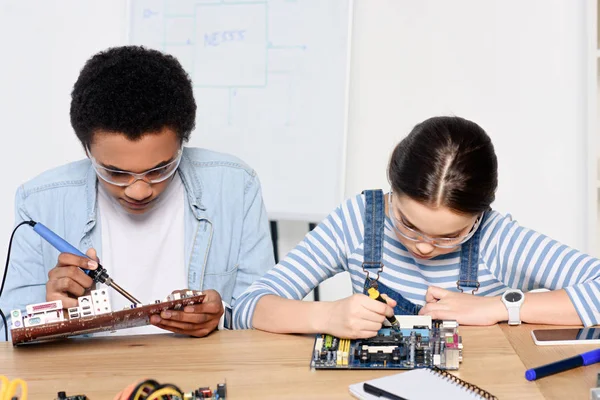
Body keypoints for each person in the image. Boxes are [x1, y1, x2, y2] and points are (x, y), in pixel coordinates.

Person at [233, 116, 600, 338]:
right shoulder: (359, 220)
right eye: (408, 224)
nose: (424, 247)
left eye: (451, 235)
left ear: (479, 214)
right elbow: (246, 307)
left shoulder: (497, 238)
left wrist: (499, 307)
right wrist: (325, 315)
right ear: (393, 187)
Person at [0, 46, 274, 339]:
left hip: (201, 374)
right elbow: (8, 336)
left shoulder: (235, 185)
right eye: (115, 173)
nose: (140, 191)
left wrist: (220, 318)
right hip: (87, 380)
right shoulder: (39, 202)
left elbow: (263, 315)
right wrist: (49, 314)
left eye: (160, 169)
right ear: (87, 151)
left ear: (182, 144)